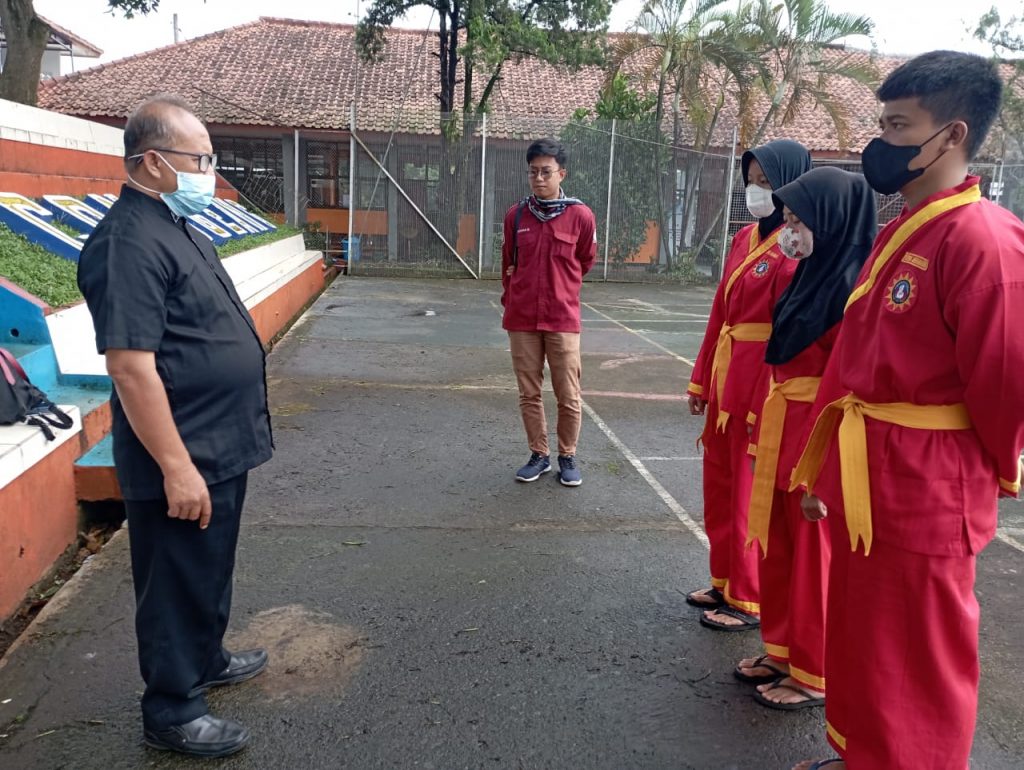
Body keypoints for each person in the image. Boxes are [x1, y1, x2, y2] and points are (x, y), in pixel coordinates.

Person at [788, 51, 1024, 770]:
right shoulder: (907, 226)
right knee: (866, 643)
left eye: (898, 126)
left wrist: (984, 475)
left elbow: (1006, 382)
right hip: (874, 481)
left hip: (925, 486)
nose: (881, 142)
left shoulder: (982, 241)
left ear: (951, 135)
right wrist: (823, 467)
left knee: (918, 662)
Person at [77, 95, 273, 758]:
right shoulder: (126, 241)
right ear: (154, 162)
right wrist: (177, 466)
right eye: (201, 159)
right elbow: (132, 367)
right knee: (172, 579)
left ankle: (206, 657)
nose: (210, 173)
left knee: (207, 568)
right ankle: (172, 708)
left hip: (219, 439)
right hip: (181, 451)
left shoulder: (177, 225)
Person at [733, 167, 876, 711]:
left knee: (813, 556)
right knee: (780, 544)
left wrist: (822, 468)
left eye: (799, 220)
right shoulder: (808, 274)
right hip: (782, 424)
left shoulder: (850, 290)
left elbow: (845, 384)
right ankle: (782, 646)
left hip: (817, 433)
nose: (789, 230)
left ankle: (813, 670)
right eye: (787, 219)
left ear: (832, 221)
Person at [685, 140, 811, 631]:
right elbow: (721, 311)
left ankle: (748, 595)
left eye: (767, 182)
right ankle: (723, 578)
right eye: (752, 180)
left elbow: (789, 330)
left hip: (761, 381)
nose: (757, 190)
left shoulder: (796, 243)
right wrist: (701, 381)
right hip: (726, 375)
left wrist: (768, 395)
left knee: (747, 492)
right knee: (719, 485)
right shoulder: (744, 238)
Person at [501, 138, 597, 487]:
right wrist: (512, 300)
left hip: (562, 318)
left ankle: (567, 456)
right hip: (523, 318)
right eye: (533, 172)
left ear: (561, 174)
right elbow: (508, 263)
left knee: (568, 394)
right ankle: (538, 455)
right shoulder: (516, 216)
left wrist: (560, 288)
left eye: (546, 172)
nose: (539, 178)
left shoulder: (580, 216)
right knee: (529, 392)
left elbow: (585, 260)